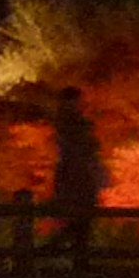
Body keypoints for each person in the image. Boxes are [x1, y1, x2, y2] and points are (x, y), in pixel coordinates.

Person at [47, 87, 106, 254]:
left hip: (74, 173)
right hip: (77, 173)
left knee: (79, 216)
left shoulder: (66, 123)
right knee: (80, 216)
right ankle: (67, 249)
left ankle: (68, 248)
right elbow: (83, 148)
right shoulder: (72, 124)